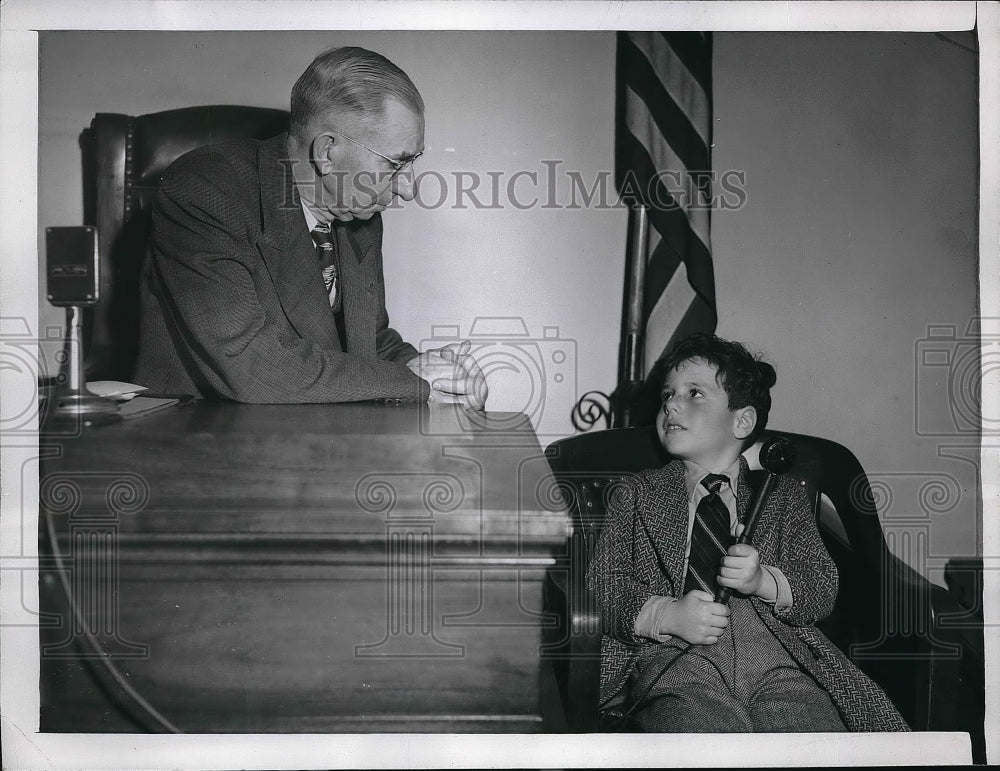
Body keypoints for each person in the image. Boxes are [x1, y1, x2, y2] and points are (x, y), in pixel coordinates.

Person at [586, 333, 909, 732]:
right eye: (668, 394)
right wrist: (667, 614)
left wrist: (764, 581)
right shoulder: (636, 494)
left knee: (813, 736)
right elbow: (603, 582)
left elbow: (822, 585)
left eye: (695, 393)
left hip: (778, 656)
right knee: (701, 735)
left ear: (742, 420)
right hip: (677, 657)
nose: (671, 403)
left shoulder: (782, 496)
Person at [134, 46, 487, 408]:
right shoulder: (206, 190)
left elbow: (368, 340)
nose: (408, 189)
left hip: (315, 433)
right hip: (198, 432)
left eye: (412, 162)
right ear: (327, 153)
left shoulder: (358, 213)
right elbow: (252, 364)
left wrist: (440, 374)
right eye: (395, 165)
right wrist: (413, 383)